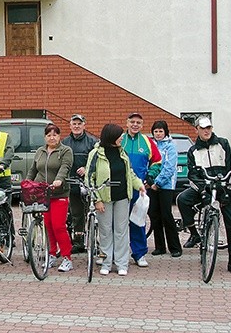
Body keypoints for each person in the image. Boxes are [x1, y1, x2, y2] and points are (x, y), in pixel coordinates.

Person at [177, 116, 231, 275]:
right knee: (182, 200)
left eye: (209, 128)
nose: (206, 131)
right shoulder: (193, 150)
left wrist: (228, 191)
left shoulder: (224, 144)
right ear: (197, 130)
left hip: (225, 188)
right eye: (203, 128)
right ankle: (195, 235)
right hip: (205, 188)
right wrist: (202, 191)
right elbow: (192, 175)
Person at [86, 124, 145, 276]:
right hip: (104, 198)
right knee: (105, 231)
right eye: (120, 135)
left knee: (121, 231)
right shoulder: (96, 154)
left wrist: (139, 185)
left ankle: (121, 263)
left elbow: (130, 173)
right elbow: (89, 178)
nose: (122, 138)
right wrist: (96, 199)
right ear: (112, 137)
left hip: (122, 197)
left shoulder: (122, 153)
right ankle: (106, 262)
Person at [26, 123, 74, 272]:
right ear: (45, 137)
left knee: (58, 225)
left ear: (59, 136)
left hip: (59, 193)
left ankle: (67, 257)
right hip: (43, 193)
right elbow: (33, 169)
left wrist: (59, 180)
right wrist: (27, 183)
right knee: (47, 225)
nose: (52, 138)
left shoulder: (65, 151)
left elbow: (65, 168)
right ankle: (52, 253)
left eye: (55, 135)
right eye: (49, 135)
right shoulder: (40, 151)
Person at [121, 112, 162, 268]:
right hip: (121, 189)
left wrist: (149, 178)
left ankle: (139, 254)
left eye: (138, 122)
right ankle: (120, 253)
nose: (135, 125)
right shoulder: (120, 139)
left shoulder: (147, 141)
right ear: (127, 123)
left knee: (138, 221)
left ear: (142, 125)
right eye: (132, 122)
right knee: (119, 223)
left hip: (140, 189)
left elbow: (157, 161)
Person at [62, 114, 97, 253]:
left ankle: (92, 241)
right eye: (74, 124)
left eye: (79, 124)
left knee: (90, 213)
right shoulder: (64, 142)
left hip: (88, 184)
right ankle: (78, 242)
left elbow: (97, 161)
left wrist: (87, 168)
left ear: (84, 125)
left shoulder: (92, 142)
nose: (76, 126)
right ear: (70, 126)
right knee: (76, 214)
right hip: (71, 184)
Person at [148, 121, 182, 258]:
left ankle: (175, 247)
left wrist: (158, 182)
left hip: (166, 186)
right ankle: (159, 246)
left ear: (166, 132)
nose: (158, 134)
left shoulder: (170, 146)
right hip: (152, 185)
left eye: (161, 131)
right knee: (154, 215)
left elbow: (169, 167)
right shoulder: (151, 145)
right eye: (156, 131)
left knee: (166, 215)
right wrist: (150, 181)